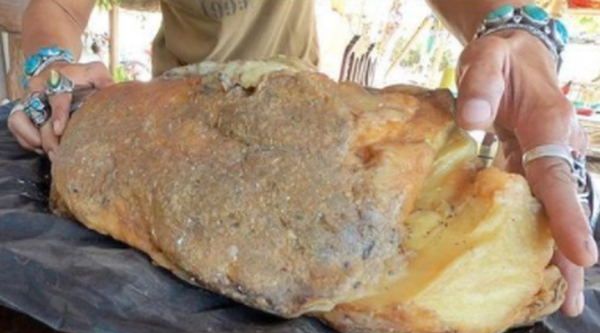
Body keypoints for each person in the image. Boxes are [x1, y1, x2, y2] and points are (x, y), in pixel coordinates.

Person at [7, 0, 597, 317]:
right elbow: (58, 6)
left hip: (306, 127)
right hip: (176, 125)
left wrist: (511, 28)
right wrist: (49, 64)